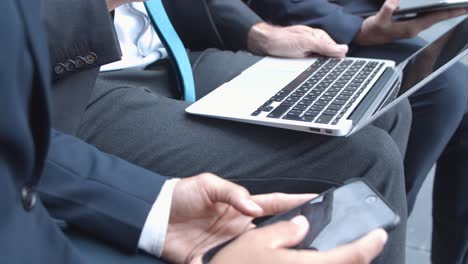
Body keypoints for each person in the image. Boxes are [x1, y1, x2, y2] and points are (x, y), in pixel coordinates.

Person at [0, 0, 393, 263]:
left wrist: (256, 31)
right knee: (366, 151)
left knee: (381, 103)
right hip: (76, 80)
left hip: (171, 50)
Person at [242, 0, 468, 262]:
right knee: (445, 92)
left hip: (362, 9)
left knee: (458, 89)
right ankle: (382, 234)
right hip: (301, 16)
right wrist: (354, 28)